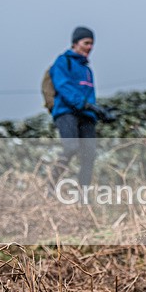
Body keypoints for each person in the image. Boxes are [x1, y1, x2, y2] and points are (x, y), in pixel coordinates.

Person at [50, 26, 99, 188]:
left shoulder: (87, 70)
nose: (90, 47)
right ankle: (51, 183)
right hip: (66, 112)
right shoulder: (63, 62)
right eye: (86, 43)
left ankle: (83, 195)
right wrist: (85, 105)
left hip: (86, 115)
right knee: (71, 146)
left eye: (92, 44)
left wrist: (100, 112)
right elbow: (63, 86)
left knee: (89, 155)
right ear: (75, 43)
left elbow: (90, 96)